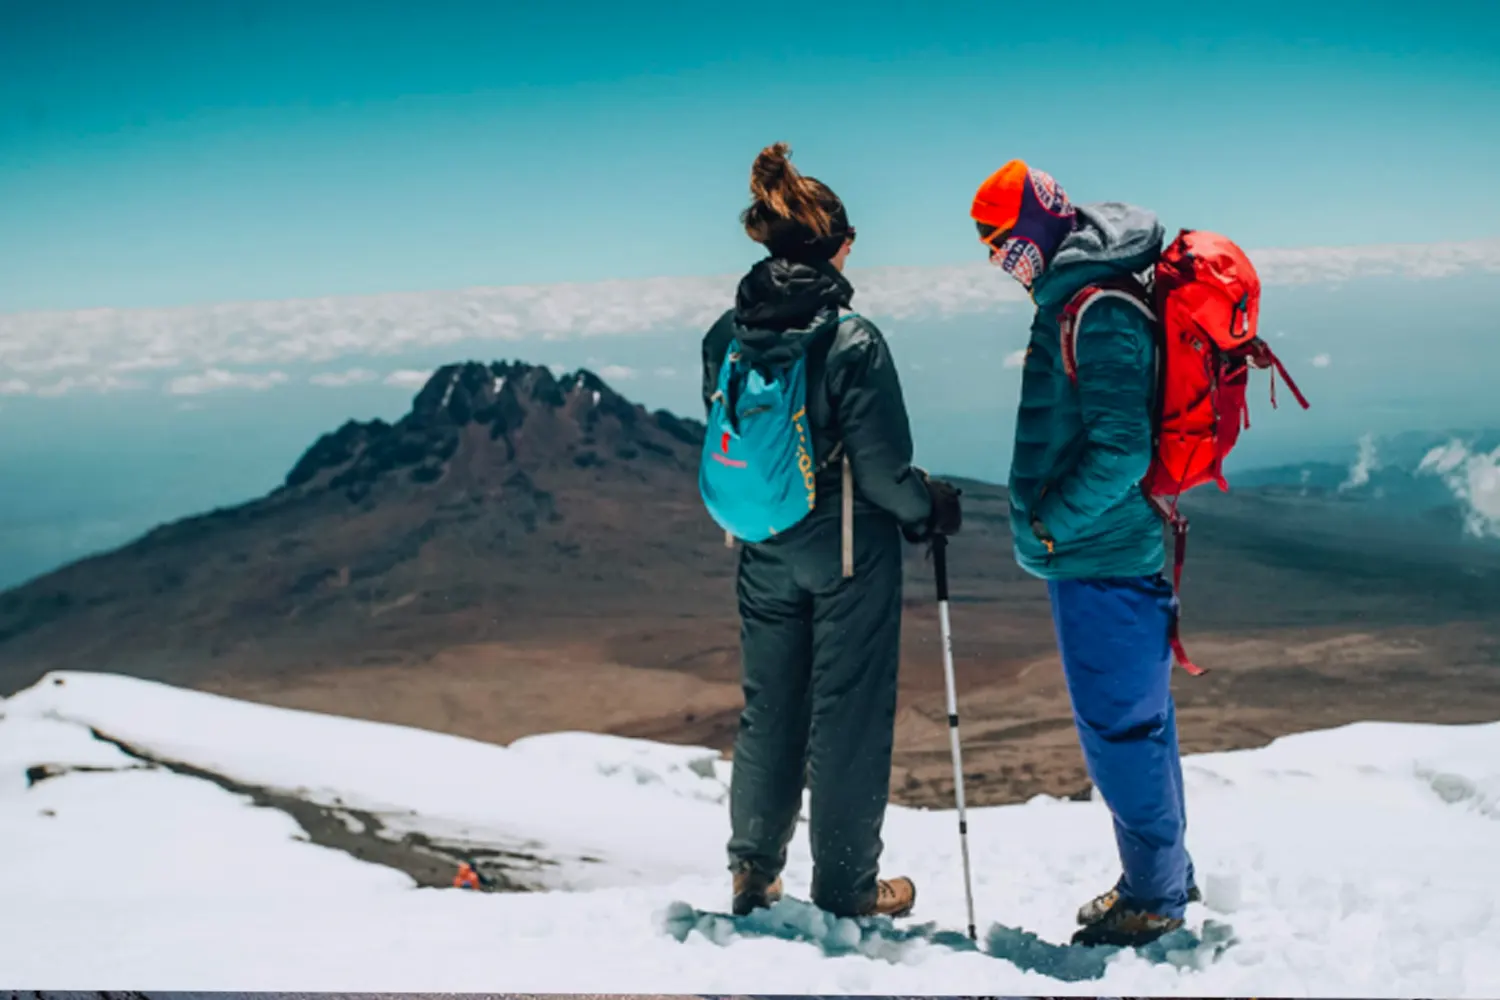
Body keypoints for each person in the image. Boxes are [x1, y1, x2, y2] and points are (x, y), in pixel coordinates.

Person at [703, 142, 962, 920]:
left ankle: (753, 872)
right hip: (849, 551)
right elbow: (883, 473)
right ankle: (848, 887)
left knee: (769, 707)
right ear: (837, 245)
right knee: (846, 713)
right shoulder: (851, 339)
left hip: (761, 541)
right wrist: (930, 509)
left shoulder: (726, 333)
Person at [969, 159, 1199, 947]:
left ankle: (1155, 900)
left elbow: (1122, 451)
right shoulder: (1086, 295)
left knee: (1119, 733)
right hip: (1103, 555)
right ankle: (1161, 880)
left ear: (1039, 222)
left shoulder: (1097, 309)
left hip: (1100, 557)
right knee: (1142, 725)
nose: (1001, 260)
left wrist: (1051, 526)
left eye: (1002, 241)